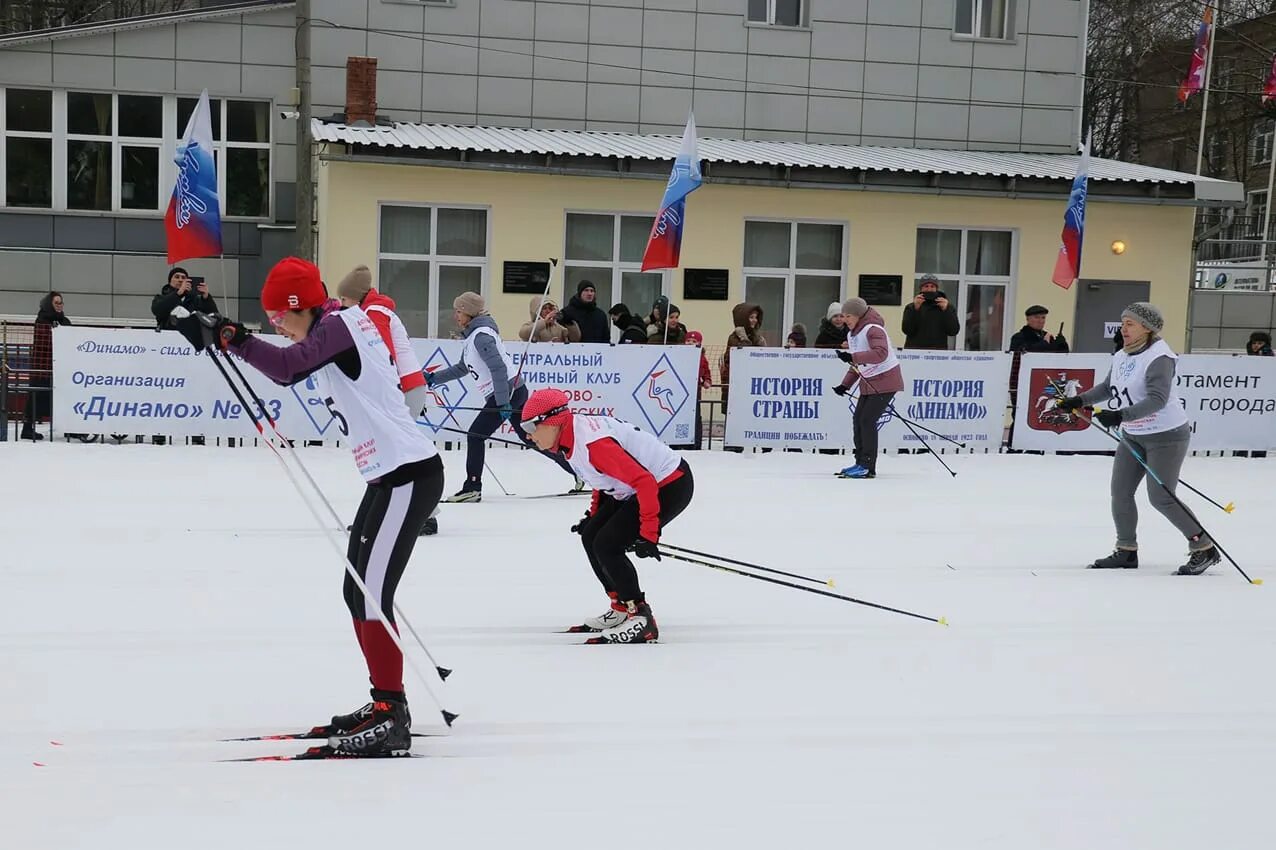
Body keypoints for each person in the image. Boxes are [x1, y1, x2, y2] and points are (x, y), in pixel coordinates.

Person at [179, 256, 445, 757]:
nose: (277, 326)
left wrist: (233, 338)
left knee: (371, 596)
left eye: (280, 315)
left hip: (409, 475)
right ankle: (385, 700)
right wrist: (226, 335)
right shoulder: (332, 328)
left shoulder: (341, 324)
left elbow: (287, 369)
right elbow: (292, 359)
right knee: (355, 591)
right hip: (389, 478)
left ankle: (391, 713)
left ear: (301, 304)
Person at [1057, 302, 1220, 575]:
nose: (1124, 329)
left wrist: (1121, 414)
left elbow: (1157, 399)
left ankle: (1204, 547)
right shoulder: (1123, 354)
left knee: (1161, 497)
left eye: (1130, 324)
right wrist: (1079, 399)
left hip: (1166, 436)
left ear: (1147, 328)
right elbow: (1109, 387)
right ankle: (1126, 550)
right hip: (1134, 435)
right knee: (1120, 492)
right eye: (1123, 323)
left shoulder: (1160, 357)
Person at [521, 388, 694, 644]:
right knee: (591, 535)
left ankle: (642, 618)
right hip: (636, 488)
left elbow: (644, 481)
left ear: (552, 420)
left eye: (530, 426)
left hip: (668, 484)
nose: (527, 434)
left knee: (608, 545)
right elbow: (601, 478)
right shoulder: (570, 436)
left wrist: (649, 533)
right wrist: (593, 514)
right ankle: (621, 607)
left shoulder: (592, 443)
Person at [426, 291, 580, 502]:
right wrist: (434, 378)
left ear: (470, 313)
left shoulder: (481, 336)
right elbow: (463, 368)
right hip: (511, 391)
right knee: (531, 438)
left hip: (507, 391)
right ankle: (579, 471)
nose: (456, 316)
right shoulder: (473, 336)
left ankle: (472, 487)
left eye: (459, 311)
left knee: (476, 435)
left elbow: (498, 369)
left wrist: (503, 402)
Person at [337, 265, 439, 536]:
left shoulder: (375, 312)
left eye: (344, 301)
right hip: (407, 388)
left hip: (403, 389)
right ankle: (385, 513)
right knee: (392, 453)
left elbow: (382, 356)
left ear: (356, 297)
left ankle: (426, 515)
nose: (342, 306)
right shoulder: (373, 310)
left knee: (401, 453)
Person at [830, 298, 903, 479]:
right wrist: (844, 384)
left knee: (867, 421)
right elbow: (859, 363)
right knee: (859, 420)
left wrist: (852, 356)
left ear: (859, 315)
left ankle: (867, 465)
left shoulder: (873, 329)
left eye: (848, 316)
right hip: (870, 381)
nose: (845, 319)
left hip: (886, 380)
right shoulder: (853, 334)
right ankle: (860, 462)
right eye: (843, 316)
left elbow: (880, 353)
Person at [22, 291, 72, 441]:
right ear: (49, 304)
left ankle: (70, 427)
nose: (59, 306)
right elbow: (47, 342)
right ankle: (27, 428)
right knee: (37, 396)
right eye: (56, 303)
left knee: (63, 396)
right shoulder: (42, 320)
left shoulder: (64, 321)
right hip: (42, 368)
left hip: (60, 368)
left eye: (61, 303)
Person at [901, 274, 959, 350]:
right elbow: (907, 330)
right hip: (915, 353)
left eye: (932, 286)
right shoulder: (911, 307)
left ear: (936, 289)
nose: (929, 289)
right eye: (926, 286)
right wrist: (915, 309)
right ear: (921, 289)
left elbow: (953, 331)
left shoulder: (947, 307)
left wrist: (946, 310)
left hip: (938, 353)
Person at [152, 267, 217, 329]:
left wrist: (206, 298)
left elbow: (213, 317)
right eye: (177, 277)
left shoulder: (195, 300)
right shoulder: (160, 297)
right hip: (166, 335)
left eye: (183, 278)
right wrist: (177, 294)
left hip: (191, 337)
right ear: (170, 282)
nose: (180, 280)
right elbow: (157, 310)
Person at [685, 330, 712, 450]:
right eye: (688, 341)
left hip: (695, 393)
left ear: (699, 343)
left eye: (694, 341)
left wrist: (707, 381)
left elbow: (707, 372)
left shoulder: (702, 358)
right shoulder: (679, 355)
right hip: (681, 392)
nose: (690, 343)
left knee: (695, 417)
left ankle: (696, 443)